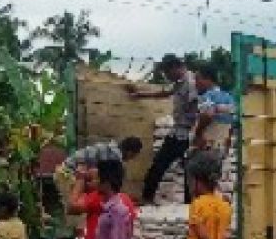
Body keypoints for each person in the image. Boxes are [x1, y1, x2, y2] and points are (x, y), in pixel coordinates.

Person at [132, 56, 198, 204]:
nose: (167, 77)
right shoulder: (180, 82)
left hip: (187, 134)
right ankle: (147, 197)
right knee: (160, 165)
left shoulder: (191, 83)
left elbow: (196, 106)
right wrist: (142, 95)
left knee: (186, 169)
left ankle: (190, 205)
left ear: (175, 68)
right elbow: (166, 92)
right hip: (178, 132)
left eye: (167, 73)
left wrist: (196, 133)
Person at [54, 137, 143, 216]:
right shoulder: (114, 159)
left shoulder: (107, 149)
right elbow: (100, 178)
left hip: (70, 171)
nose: (131, 159)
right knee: (76, 211)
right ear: (130, 152)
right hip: (68, 173)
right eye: (133, 156)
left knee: (80, 209)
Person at [192, 64, 235, 157]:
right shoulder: (229, 97)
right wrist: (227, 146)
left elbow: (208, 114)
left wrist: (198, 134)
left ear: (208, 79)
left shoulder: (206, 96)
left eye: (197, 79)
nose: (195, 83)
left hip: (206, 146)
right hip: (221, 147)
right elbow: (232, 123)